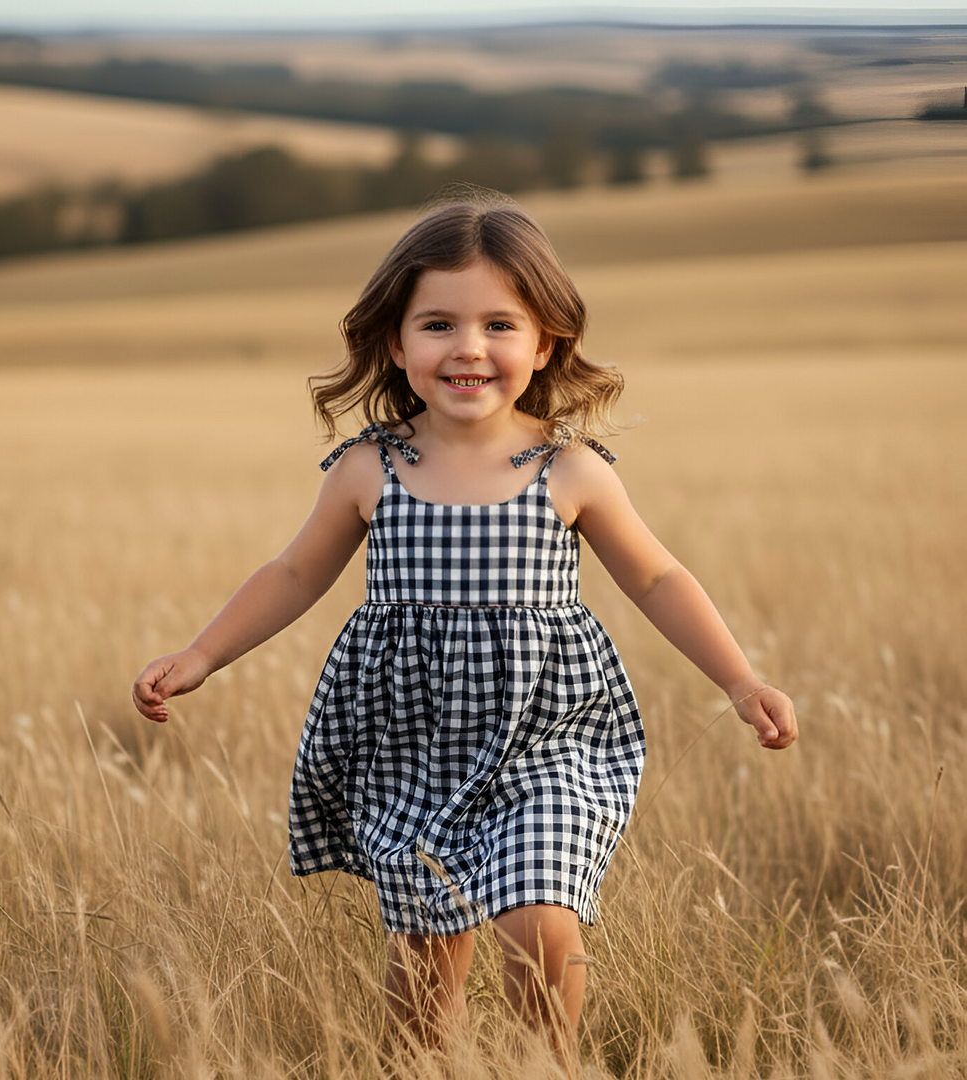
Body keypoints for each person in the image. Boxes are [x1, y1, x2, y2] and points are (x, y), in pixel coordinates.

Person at [132, 193, 797, 1063]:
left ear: (546, 340)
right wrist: (201, 654)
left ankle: (544, 1065)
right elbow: (296, 573)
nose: (469, 348)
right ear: (397, 343)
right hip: (416, 743)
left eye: (500, 325)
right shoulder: (370, 467)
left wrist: (740, 680)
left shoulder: (571, 469)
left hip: (547, 735)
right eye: (438, 324)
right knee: (421, 971)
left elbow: (657, 575)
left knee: (538, 915)